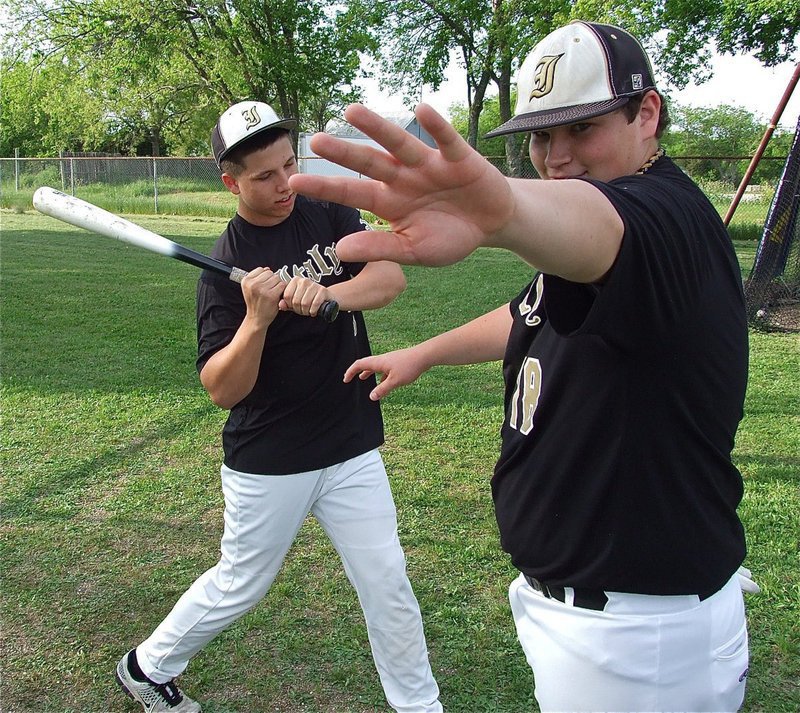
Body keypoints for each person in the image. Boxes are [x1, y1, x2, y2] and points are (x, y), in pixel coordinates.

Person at [288, 21, 756, 712]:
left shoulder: (666, 219)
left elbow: (597, 222)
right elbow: (529, 313)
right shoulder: (599, 252)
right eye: (541, 136)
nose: (556, 157)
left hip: (634, 637)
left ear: (646, 114)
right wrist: (425, 352)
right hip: (589, 611)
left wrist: (503, 210)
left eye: (582, 128)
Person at [115, 100, 442, 713]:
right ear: (231, 182)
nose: (285, 183)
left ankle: (419, 707)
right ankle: (146, 666)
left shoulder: (327, 211)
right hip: (272, 455)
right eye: (265, 176)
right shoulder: (222, 269)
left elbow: (389, 279)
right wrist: (256, 319)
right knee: (240, 583)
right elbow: (222, 389)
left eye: (290, 165)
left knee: (388, 584)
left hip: (349, 440)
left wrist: (327, 295)